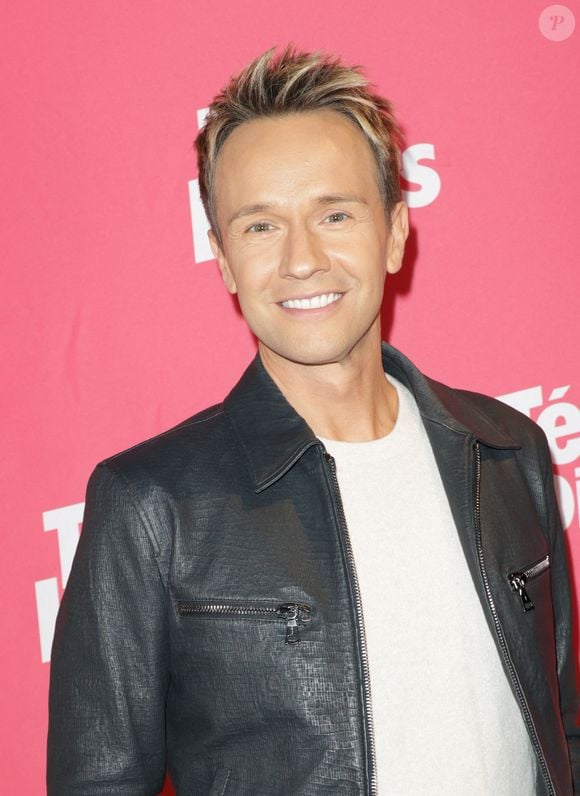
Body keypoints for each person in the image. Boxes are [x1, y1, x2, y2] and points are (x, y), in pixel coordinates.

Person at [47, 46, 578, 795]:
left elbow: (562, 730)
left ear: (395, 232)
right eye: (261, 227)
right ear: (223, 259)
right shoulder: (149, 504)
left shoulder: (506, 450)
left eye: (335, 214)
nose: (302, 259)